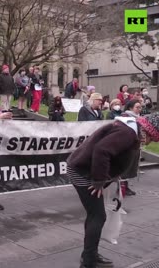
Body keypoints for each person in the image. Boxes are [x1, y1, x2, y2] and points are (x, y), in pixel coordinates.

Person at [67, 112, 159, 268]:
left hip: (84, 170)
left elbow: (113, 153)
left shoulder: (130, 130)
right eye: (152, 138)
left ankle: (89, 254)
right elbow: (102, 151)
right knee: (98, 216)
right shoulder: (127, 133)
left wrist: (110, 176)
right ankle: (89, 260)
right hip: (83, 172)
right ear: (147, 129)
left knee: (94, 215)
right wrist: (99, 179)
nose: (149, 142)